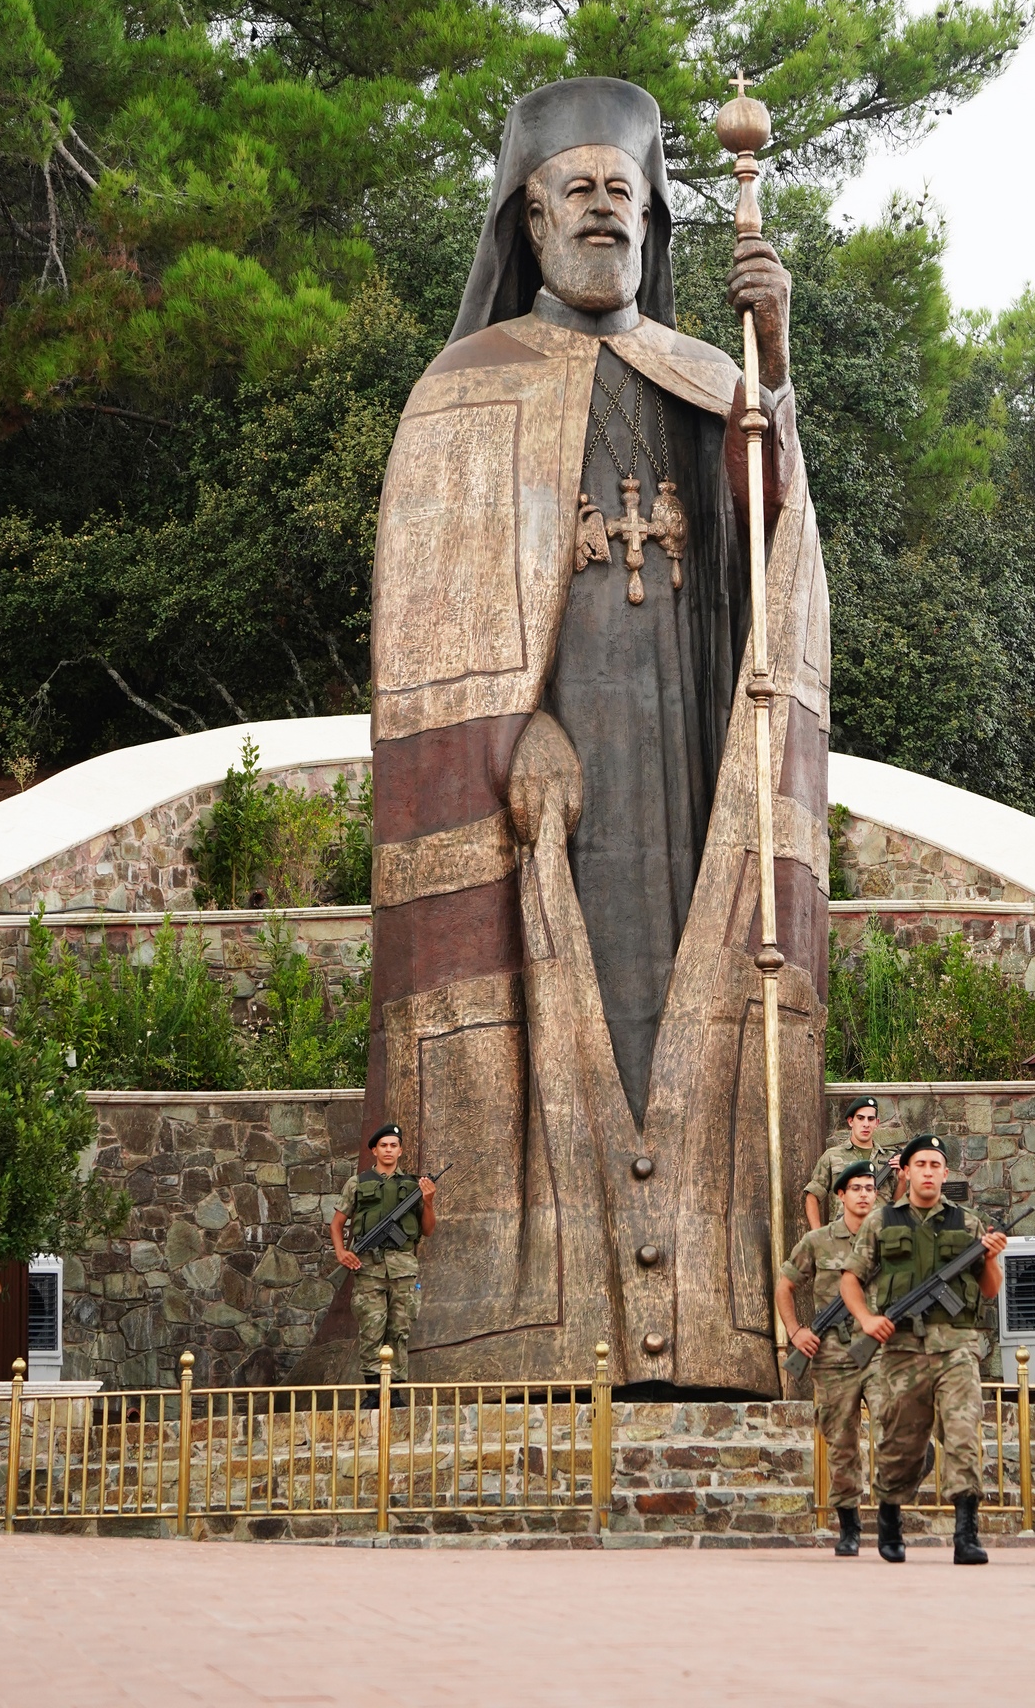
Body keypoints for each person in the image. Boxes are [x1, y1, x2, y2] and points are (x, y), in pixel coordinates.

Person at [359, 76, 830, 1393]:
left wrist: (773, 363)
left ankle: (717, 1331)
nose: (603, 215)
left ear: (651, 219)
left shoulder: (701, 376)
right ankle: (543, 1331)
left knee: (693, 984)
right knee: (557, 1000)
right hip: (549, 781)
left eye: (624, 194)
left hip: (684, 761)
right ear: (525, 218)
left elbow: (766, 551)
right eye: (578, 192)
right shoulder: (462, 389)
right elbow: (431, 621)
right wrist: (519, 735)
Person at [839, 1132, 1007, 1566]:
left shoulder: (968, 1223)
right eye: (921, 1165)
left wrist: (989, 1258)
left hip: (957, 1348)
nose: (928, 1172)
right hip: (902, 1351)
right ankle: (891, 1517)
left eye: (936, 1165)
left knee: (964, 1435)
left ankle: (966, 1533)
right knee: (901, 1442)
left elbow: (989, 1291)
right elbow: (851, 1279)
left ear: (945, 1173)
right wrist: (866, 1319)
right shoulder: (882, 1222)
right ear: (907, 1171)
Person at [776, 1161, 878, 1556]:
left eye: (870, 1187)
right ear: (840, 1195)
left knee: (898, 1422)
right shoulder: (817, 1241)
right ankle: (849, 1527)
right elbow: (785, 1286)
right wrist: (796, 1330)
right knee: (842, 1440)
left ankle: (893, 1508)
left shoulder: (888, 1238)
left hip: (879, 1347)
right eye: (856, 1188)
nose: (865, 1194)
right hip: (833, 1352)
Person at [330, 1124, 437, 1401]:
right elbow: (337, 1223)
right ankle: (373, 1393)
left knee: (399, 1330)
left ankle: (396, 1394)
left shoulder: (414, 1185)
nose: (388, 1150)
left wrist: (429, 1201)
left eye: (393, 1145)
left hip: (403, 1269)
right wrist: (342, 1252)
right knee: (371, 1329)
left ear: (400, 1150)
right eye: (383, 1145)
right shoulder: (357, 1183)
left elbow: (427, 1230)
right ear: (374, 1150)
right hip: (368, 1269)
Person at [803, 1097, 902, 1228]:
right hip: (843, 1236)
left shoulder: (890, 1159)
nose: (866, 1124)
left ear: (877, 1123)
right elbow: (812, 1196)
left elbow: (897, 1204)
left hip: (881, 1234)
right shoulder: (833, 1156)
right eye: (860, 1118)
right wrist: (817, 1235)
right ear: (851, 1121)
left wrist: (902, 1178)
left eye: (870, 1119)